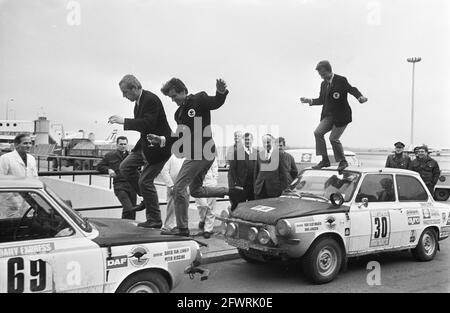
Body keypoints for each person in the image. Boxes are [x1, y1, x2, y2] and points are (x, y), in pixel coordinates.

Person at [149, 78, 229, 236]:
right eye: (170, 98)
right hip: (195, 153)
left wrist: (220, 92)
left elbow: (215, 103)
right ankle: (231, 191)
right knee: (196, 191)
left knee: (178, 188)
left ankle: (182, 228)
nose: (173, 100)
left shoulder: (199, 99)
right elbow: (179, 135)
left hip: (203, 151)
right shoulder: (178, 114)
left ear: (183, 91)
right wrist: (162, 139)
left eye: (174, 96)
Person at [109, 74, 172, 228]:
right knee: (125, 167)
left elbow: (148, 124)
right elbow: (144, 130)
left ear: (135, 88)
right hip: (144, 146)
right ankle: (145, 197)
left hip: (159, 149)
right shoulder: (138, 103)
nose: (124, 96)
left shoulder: (150, 99)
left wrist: (124, 121)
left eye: (125, 92)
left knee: (145, 181)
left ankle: (155, 220)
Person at [300, 60, 368, 172]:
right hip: (329, 116)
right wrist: (310, 100)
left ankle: (343, 161)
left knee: (333, 138)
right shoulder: (323, 84)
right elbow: (322, 100)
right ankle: (325, 160)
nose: (322, 77)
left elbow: (352, 89)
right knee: (318, 133)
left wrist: (360, 97)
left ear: (329, 71)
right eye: (320, 75)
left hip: (342, 116)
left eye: (324, 75)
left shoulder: (341, 80)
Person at [97, 136, 136, 220]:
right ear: (117, 145)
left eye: (125, 144)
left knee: (132, 210)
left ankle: (128, 229)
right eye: (121, 144)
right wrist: (108, 170)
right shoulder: (110, 155)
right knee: (128, 208)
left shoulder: (132, 156)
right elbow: (99, 166)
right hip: (119, 186)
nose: (123, 146)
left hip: (132, 186)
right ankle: (124, 227)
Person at [0, 134, 38, 218]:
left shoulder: (32, 159)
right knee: (10, 226)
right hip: (10, 201)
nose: (28, 146)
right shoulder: (5, 158)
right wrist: (10, 198)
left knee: (26, 225)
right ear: (16, 145)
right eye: (25, 143)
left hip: (28, 201)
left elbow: (35, 178)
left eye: (30, 143)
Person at [228, 132, 257, 211]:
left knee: (252, 207)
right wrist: (236, 183)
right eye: (246, 140)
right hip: (241, 186)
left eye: (249, 140)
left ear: (252, 140)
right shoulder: (237, 152)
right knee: (239, 207)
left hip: (252, 186)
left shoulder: (256, 152)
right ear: (244, 140)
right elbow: (232, 169)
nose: (247, 141)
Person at [254, 134, 289, 199]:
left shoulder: (280, 155)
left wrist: (283, 190)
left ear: (272, 142)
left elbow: (284, 174)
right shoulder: (259, 155)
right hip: (260, 191)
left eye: (268, 142)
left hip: (274, 192)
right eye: (264, 143)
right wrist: (255, 186)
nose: (266, 144)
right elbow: (256, 173)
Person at [160, 154, 185, 232]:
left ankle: (181, 226)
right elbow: (164, 171)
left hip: (184, 185)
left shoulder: (188, 157)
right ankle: (168, 226)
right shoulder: (170, 157)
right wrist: (170, 185)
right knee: (171, 206)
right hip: (173, 185)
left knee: (183, 207)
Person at [195, 159, 219, 239]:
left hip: (210, 183)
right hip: (198, 183)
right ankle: (202, 220)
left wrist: (214, 180)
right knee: (202, 205)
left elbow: (215, 168)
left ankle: (208, 229)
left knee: (211, 208)